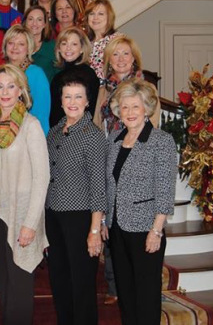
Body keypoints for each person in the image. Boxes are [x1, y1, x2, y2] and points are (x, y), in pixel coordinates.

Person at [0, 64, 49, 325]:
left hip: (21, 210)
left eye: (11, 86)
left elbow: (42, 177)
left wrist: (30, 223)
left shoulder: (31, 126)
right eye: (0, 86)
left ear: (21, 90)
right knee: (3, 280)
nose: (5, 91)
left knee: (20, 279)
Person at [104, 78, 177, 325]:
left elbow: (166, 189)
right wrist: (105, 219)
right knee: (125, 292)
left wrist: (156, 230)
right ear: (118, 111)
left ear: (146, 108)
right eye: (125, 107)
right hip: (117, 228)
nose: (130, 113)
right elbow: (109, 185)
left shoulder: (161, 141)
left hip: (146, 229)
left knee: (145, 294)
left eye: (136, 107)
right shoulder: (114, 140)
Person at [46, 74, 107, 325]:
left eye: (78, 97)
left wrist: (95, 229)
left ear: (87, 102)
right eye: (67, 96)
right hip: (53, 215)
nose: (72, 102)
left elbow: (98, 185)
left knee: (81, 282)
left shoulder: (92, 135)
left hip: (80, 216)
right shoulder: (55, 131)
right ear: (60, 101)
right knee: (59, 279)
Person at [94, 36, 161, 134]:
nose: (121, 59)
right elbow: (97, 125)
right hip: (109, 146)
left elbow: (153, 123)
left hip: (140, 146)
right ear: (109, 60)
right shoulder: (102, 92)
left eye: (126, 53)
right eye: (115, 54)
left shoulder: (149, 89)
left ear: (133, 58)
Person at [3, 24, 51, 134]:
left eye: (21, 44)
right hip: (3, 135)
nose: (15, 48)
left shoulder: (36, 74)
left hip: (28, 136)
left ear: (29, 48)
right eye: (11, 43)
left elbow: (41, 116)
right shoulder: (1, 73)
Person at [49, 27, 99, 127]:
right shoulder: (58, 76)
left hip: (78, 133)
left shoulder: (86, 74)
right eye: (64, 43)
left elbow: (87, 112)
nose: (68, 48)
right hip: (58, 133)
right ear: (59, 48)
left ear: (81, 49)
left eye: (74, 44)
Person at [86, 0, 121, 80]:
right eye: (92, 14)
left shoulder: (117, 40)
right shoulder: (85, 42)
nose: (95, 18)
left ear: (109, 17)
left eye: (100, 14)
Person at [22, 5, 57, 82]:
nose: (34, 23)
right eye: (31, 19)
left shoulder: (52, 47)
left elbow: (59, 77)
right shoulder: (17, 46)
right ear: (25, 22)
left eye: (39, 19)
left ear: (44, 24)